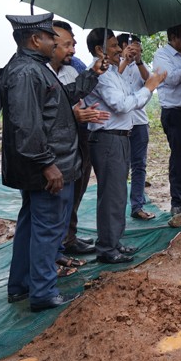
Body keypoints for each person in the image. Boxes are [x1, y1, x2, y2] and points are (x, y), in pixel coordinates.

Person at [0, 13, 104, 311]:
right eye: (50, 38)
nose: (54, 43)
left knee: (31, 225)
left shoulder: (36, 70)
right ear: (36, 40)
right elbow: (26, 125)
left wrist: (93, 73)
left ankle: (20, 285)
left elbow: (59, 100)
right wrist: (47, 164)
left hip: (46, 163)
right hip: (48, 166)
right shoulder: (26, 73)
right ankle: (43, 293)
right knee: (47, 229)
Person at [84, 28, 166, 263]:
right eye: (113, 46)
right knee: (112, 196)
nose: (119, 49)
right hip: (108, 138)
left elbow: (132, 100)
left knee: (117, 194)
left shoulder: (111, 71)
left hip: (118, 137)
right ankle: (107, 249)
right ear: (100, 50)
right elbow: (120, 105)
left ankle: (113, 241)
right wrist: (149, 87)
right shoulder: (100, 74)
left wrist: (147, 86)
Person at [50, 21, 109, 261]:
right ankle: (56, 250)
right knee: (54, 200)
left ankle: (69, 237)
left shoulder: (72, 69)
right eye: (67, 44)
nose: (73, 50)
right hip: (55, 147)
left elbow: (76, 97)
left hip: (78, 138)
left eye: (73, 44)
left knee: (76, 190)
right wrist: (73, 114)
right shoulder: (38, 72)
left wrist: (82, 113)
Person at [153, 24, 181, 224]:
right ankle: (178, 201)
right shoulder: (162, 56)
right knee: (179, 157)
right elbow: (169, 79)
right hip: (173, 112)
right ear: (172, 37)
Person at [117, 33, 155, 221]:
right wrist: (124, 59)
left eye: (138, 47)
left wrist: (138, 61)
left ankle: (137, 205)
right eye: (134, 46)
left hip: (139, 121)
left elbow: (150, 81)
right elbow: (114, 79)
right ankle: (117, 208)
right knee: (120, 167)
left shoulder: (141, 65)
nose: (136, 50)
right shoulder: (114, 65)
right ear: (123, 45)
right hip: (120, 123)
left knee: (139, 166)